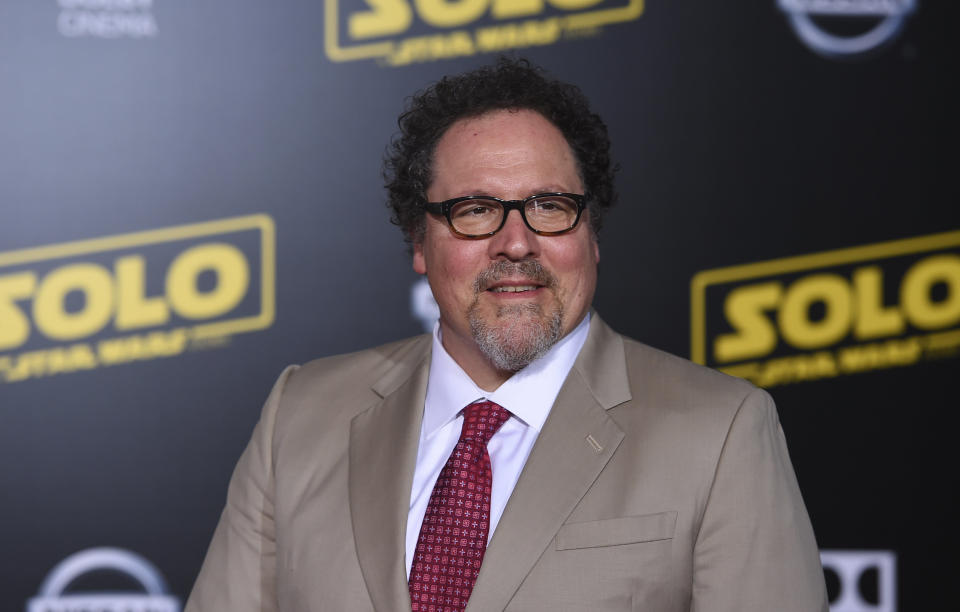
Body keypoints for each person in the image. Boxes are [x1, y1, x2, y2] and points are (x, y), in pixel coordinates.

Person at [185, 58, 828, 612]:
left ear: (592, 234)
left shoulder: (721, 431)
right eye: (475, 211)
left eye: (549, 206)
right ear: (419, 241)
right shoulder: (299, 415)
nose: (516, 243)